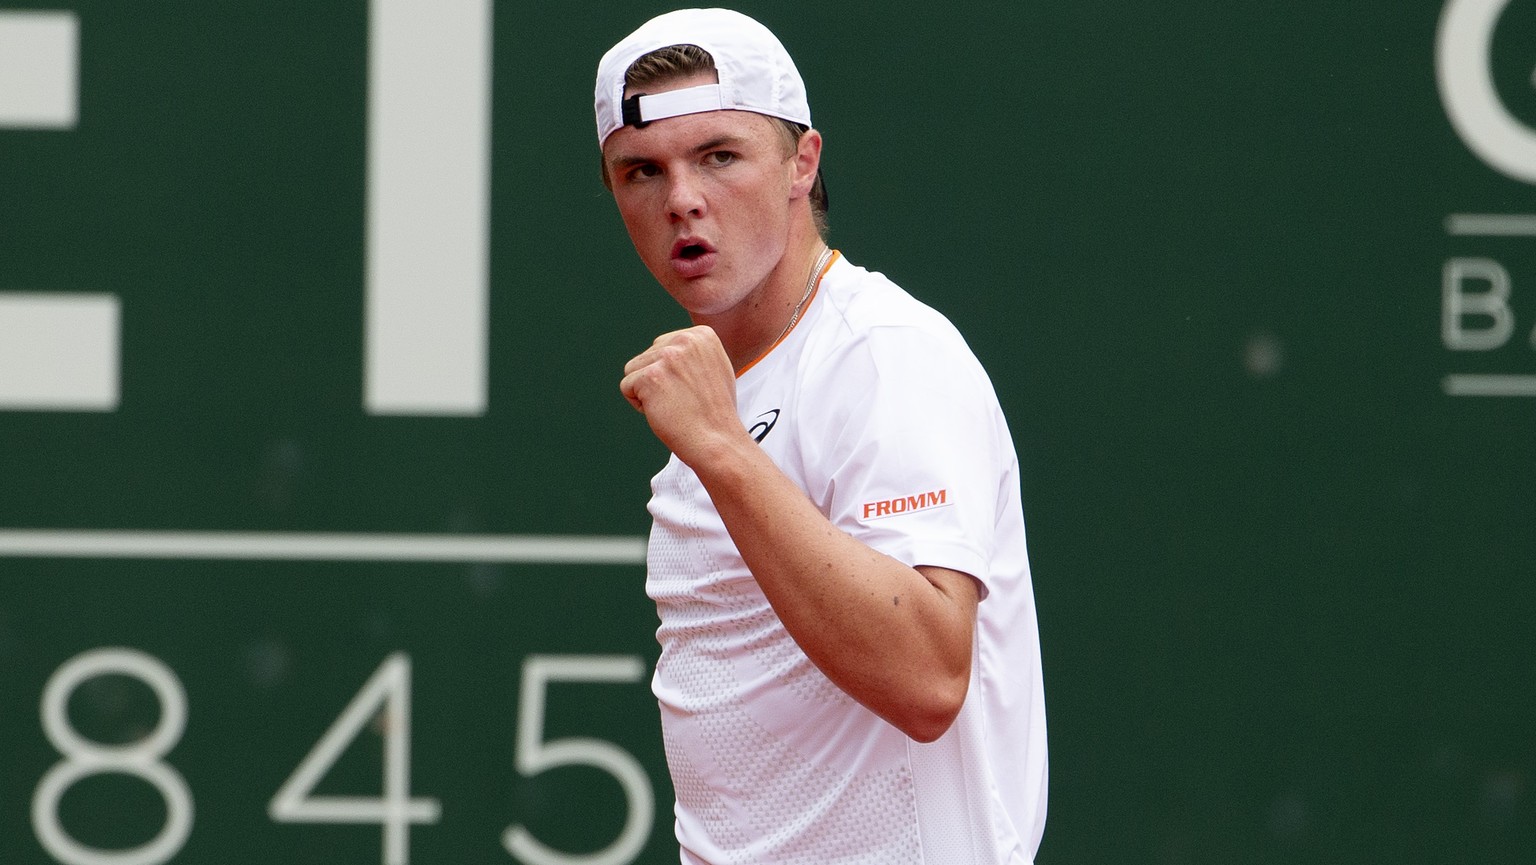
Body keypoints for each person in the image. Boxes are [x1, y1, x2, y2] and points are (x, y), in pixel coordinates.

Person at [595, 9, 1047, 863]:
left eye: (719, 156)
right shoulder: (726, 393)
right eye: (640, 171)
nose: (681, 198)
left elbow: (927, 675)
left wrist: (726, 450)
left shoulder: (881, 355)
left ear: (802, 163)